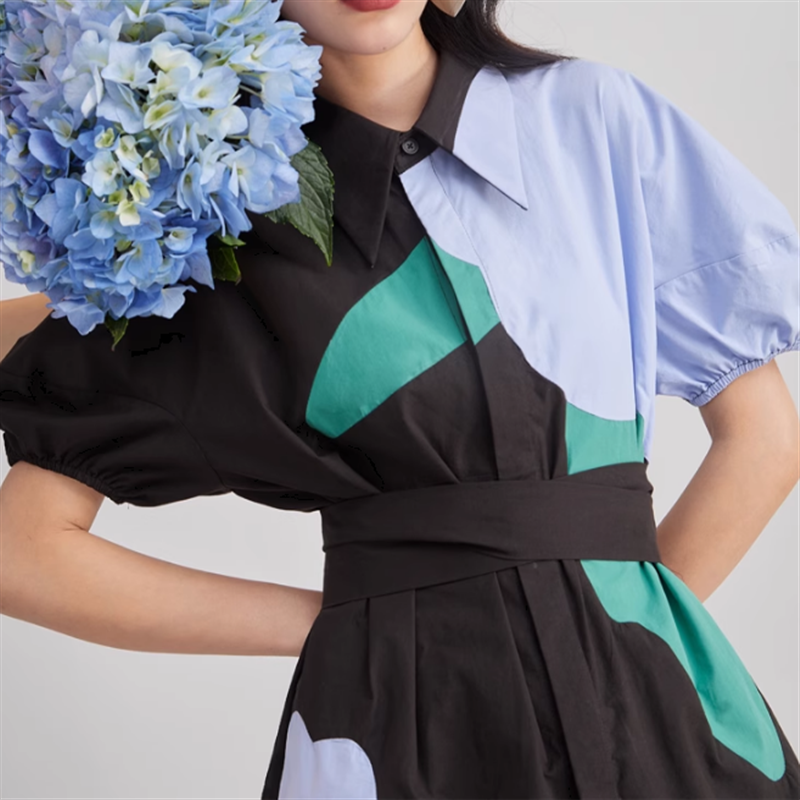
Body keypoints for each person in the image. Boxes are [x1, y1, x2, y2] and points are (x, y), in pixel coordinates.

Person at [1, 0, 799, 797]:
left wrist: (627, 641)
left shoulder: (591, 117)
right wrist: (342, 619)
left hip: (667, 735)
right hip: (398, 740)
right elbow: (24, 552)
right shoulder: (220, 222)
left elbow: (763, 436)